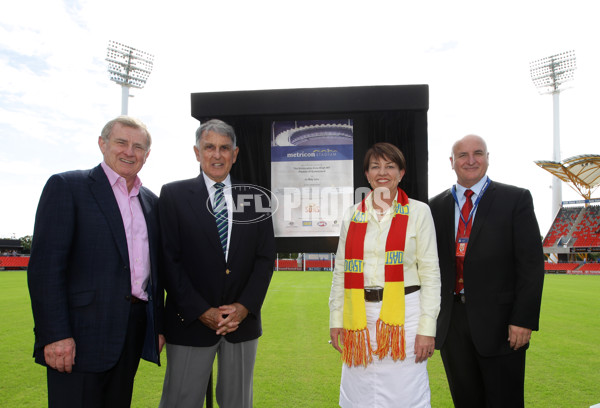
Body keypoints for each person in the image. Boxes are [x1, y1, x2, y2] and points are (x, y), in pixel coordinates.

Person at [27, 116, 165, 408]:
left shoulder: (151, 202)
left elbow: (156, 274)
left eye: (138, 146)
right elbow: (46, 269)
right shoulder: (68, 186)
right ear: (102, 144)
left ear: (147, 155)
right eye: (121, 142)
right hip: (79, 335)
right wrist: (55, 335)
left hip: (131, 332)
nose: (130, 151)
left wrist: (157, 327)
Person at [158, 118, 275, 408]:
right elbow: (168, 260)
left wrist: (243, 307)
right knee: (180, 402)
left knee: (238, 403)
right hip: (189, 323)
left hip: (241, 325)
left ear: (235, 154)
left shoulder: (255, 198)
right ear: (197, 152)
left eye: (225, 148)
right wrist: (201, 310)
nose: (217, 154)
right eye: (209, 147)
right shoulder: (173, 195)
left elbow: (264, 259)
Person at [429, 134, 545, 408]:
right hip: (452, 323)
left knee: (505, 401)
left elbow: (531, 264)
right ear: (452, 162)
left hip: (502, 324)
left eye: (478, 153)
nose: (471, 160)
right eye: (462, 155)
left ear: (488, 158)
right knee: (465, 400)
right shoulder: (433, 207)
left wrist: (523, 319)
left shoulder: (515, 199)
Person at [329, 142, 441, 408]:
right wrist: (336, 319)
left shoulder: (419, 212)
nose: (383, 172)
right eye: (375, 166)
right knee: (359, 394)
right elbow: (341, 270)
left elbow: (431, 274)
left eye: (390, 166)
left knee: (405, 394)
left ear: (401, 173)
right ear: (366, 175)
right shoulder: (352, 215)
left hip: (406, 316)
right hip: (359, 317)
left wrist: (427, 328)